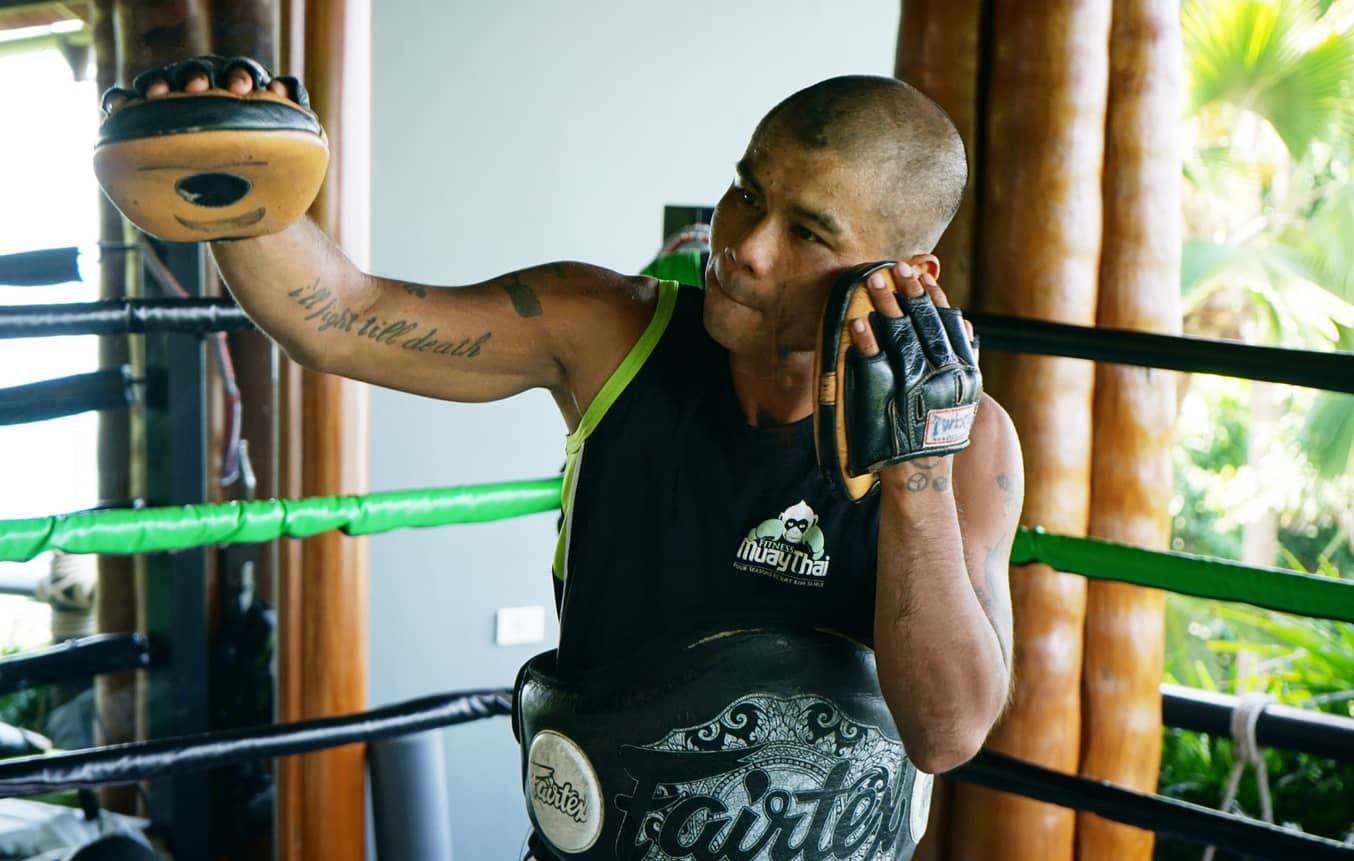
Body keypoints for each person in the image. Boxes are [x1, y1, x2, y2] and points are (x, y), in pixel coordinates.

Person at [111, 60, 1022, 860]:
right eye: (747, 191)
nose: (744, 247)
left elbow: (946, 732)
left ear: (907, 273)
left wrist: (917, 475)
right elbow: (342, 319)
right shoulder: (609, 331)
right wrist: (233, 182)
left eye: (809, 233)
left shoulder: (972, 442)